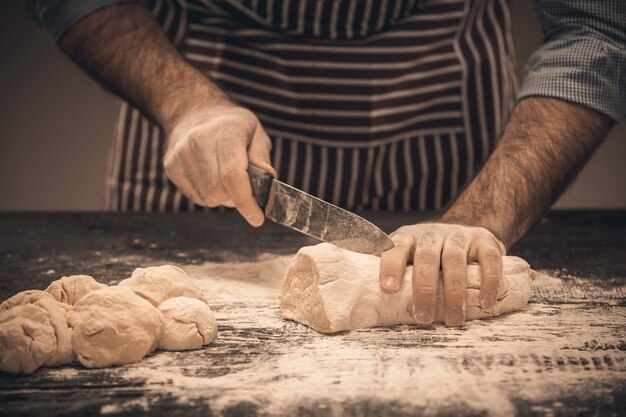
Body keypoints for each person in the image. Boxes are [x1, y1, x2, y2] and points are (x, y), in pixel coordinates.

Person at [25, 0, 625, 326]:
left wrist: (483, 213)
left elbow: (596, 23)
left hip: (434, 90)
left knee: (438, 285)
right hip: (205, 76)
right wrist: (185, 103)